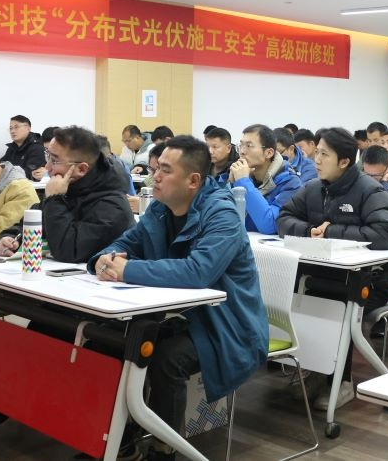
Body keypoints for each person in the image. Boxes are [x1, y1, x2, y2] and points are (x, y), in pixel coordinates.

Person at [90, 136, 268, 459]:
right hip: (181, 316)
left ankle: (164, 449)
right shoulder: (161, 209)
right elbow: (126, 242)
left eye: (165, 170)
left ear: (193, 181)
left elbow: (197, 272)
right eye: (156, 168)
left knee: (166, 357)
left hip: (227, 325)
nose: (155, 176)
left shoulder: (222, 214)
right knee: (108, 341)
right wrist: (104, 259)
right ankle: (118, 437)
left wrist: (127, 270)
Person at [277, 127, 388, 410]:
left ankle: (341, 381)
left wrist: (332, 231)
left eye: (324, 154)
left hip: (370, 282)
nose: (316, 159)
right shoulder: (314, 187)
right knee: (301, 295)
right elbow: (284, 218)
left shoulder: (369, 189)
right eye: (317, 152)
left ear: (344, 161)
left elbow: (387, 233)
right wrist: (308, 230)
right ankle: (318, 372)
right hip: (322, 276)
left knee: (335, 302)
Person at [0, 126, 135, 262]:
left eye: (55, 160)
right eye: (48, 156)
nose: (47, 167)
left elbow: (68, 251)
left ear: (81, 169)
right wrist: (12, 238)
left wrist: (54, 199)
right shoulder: (69, 188)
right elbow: (29, 224)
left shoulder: (112, 205)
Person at [228, 124, 302, 234]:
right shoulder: (243, 176)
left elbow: (270, 225)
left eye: (249, 146)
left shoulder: (291, 183)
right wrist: (230, 185)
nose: (242, 151)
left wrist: (243, 182)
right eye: (241, 145)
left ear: (268, 153)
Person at [0, 115, 46, 182]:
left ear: (28, 128)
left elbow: (30, 173)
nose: (12, 131)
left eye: (16, 127)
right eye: (11, 128)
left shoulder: (37, 148)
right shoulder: (12, 149)